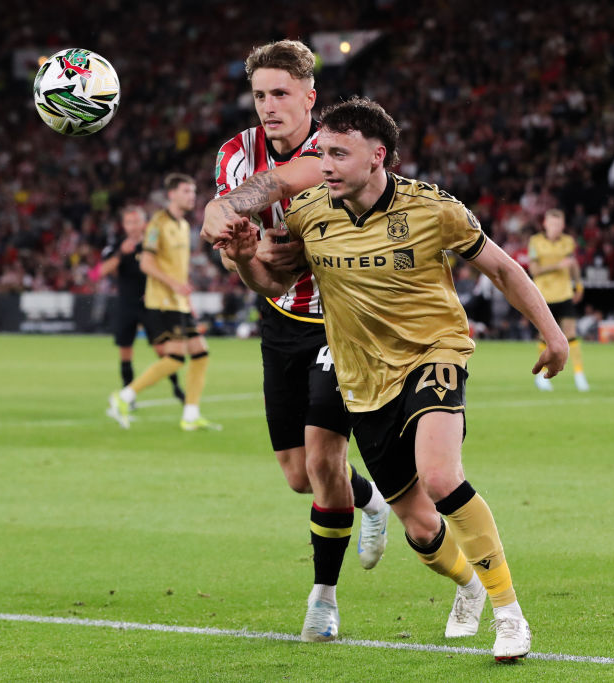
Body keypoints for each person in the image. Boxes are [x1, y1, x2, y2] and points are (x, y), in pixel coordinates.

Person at [221, 97, 569, 661]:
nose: (325, 163)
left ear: (377, 155)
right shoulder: (309, 213)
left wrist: (553, 335)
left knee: (439, 475)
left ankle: (511, 616)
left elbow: (503, 268)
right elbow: (270, 282)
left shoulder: (434, 209)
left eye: (338, 152)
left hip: (434, 353)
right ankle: (471, 586)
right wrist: (242, 258)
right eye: (321, 153)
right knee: (421, 528)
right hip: (360, 375)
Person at [202, 40, 389, 642]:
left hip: (344, 319)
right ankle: (371, 501)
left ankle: (323, 601)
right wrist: (246, 256)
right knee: (297, 475)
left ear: (310, 96)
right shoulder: (234, 154)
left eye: (281, 93)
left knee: (323, 458)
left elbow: (286, 180)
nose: (269, 106)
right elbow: (257, 275)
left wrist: (226, 207)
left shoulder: (334, 147)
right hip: (283, 320)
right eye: (260, 95)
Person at [107, 174, 219, 430]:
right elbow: (146, 263)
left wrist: (184, 292)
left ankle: (190, 415)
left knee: (200, 354)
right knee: (176, 359)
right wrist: (174, 285)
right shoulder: (157, 223)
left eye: (193, 192)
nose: (192, 196)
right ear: (171, 195)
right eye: (186, 192)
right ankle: (124, 396)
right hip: (163, 302)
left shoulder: (183, 225)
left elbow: (177, 266)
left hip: (179, 301)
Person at [96, 206, 184, 407]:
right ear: (124, 225)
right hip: (126, 304)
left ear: (144, 224)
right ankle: (129, 396)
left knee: (162, 350)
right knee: (125, 351)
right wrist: (120, 253)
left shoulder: (152, 244)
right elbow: (101, 271)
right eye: (129, 222)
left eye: (136, 222)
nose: (133, 226)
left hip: (150, 304)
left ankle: (177, 388)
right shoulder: (115, 246)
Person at [528, 209, 589, 392]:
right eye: (552, 223)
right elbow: (534, 270)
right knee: (544, 337)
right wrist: (557, 266)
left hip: (564, 294)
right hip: (543, 296)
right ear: (545, 224)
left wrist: (578, 284)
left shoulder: (568, 242)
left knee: (571, 334)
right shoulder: (535, 242)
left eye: (558, 224)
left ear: (563, 226)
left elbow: (573, 264)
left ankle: (579, 375)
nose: (555, 227)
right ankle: (542, 376)